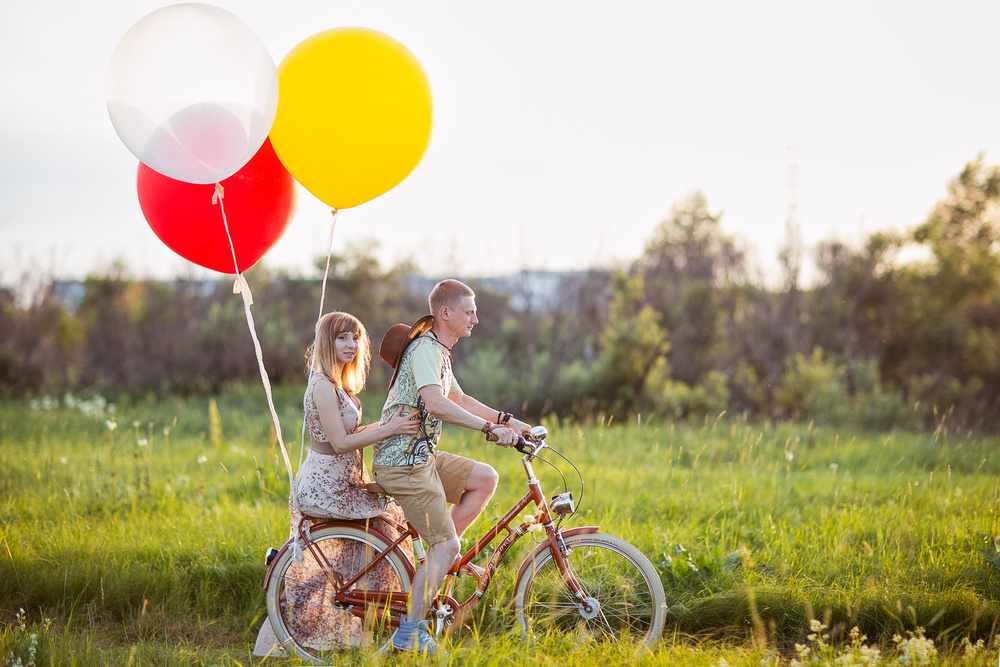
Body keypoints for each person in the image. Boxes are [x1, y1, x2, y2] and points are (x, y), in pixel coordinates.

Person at [372, 279, 531, 654]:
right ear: (446, 313)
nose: (476, 318)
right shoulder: (425, 349)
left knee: (485, 478)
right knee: (448, 544)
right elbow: (438, 404)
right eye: (469, 311)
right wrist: (489, 429)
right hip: (401, 461)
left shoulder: (440, 352)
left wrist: (508, 420)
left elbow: (459, 397)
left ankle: (437, 560)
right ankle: (410, 633)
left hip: (420, 456)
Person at [254, 311, 420, 657]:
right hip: (326, 485)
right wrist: (389, 429)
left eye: (356, 337)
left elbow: (347, 434)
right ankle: (392, 623)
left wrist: (387, 422)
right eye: (342, 337)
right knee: (388, 533)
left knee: (350, 556)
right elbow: (340, 443)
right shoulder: (321, 386)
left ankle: (372, 623)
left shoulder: (337, 384)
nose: (351, 345)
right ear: (327, 343)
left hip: (344, 480)